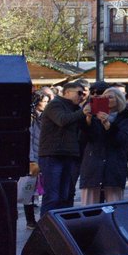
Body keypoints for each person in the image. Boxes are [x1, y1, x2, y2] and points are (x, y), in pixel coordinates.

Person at [78, 86, 128, 205]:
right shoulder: (94, 116)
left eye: (110, 97)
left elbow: (124, 140)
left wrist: (108, 125)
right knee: (89, 205)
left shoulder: (126, 117)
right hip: (93, 164)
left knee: (114, 205)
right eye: (103, 97)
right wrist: (87, 120)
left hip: (114, 164)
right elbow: (83, 139)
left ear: (118, 100)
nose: (106, 100)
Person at [38, 80, 89, 215]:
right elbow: (62, 120)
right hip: (52, 155)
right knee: (52, 196)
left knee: (65, 195)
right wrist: (83, 113)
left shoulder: (76, 108)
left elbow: (84, 129)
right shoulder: (55, 105)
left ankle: (60, 227)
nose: (82, 96)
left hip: (68, 155)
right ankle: (46, 228)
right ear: (67, 92)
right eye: (79, 93)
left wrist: (90, 117)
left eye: (84, 93)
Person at [19, 89, 53, 229]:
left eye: (47, 102)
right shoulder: (31, 118)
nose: (45, 104)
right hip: (34, 155)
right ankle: (30, 220)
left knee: (41, 188)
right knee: (30, 189)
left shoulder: (46, 116)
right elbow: (30, 138)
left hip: (44, 154)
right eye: (43, 102)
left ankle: (40, 218)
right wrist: (31, 158)